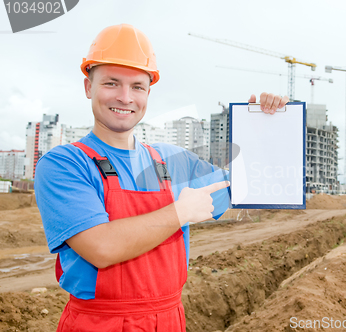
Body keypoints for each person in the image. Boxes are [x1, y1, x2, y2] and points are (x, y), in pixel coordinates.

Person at [34, 23, 289, 331]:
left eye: (137, 86)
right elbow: (102, 247)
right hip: (99, 323)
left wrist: (262, 127)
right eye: (112, 83)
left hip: (168, 319)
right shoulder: (64, 164)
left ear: (148, 92)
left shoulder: (172, 160)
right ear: (88, 87)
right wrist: (180, 211)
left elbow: (254, 186)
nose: (126, 97)